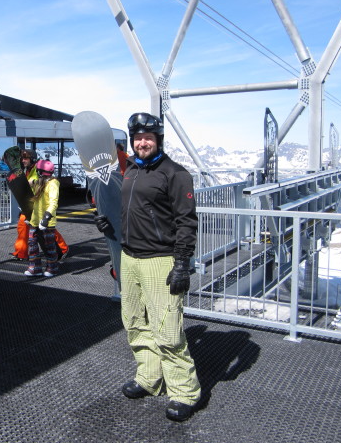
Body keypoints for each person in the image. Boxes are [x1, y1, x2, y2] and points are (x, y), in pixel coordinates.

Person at [94, 112, 201, 422]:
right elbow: (128, 210)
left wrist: (182, 264)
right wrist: (108, 223)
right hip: (129, 257)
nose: (142, 142)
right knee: (134, 321)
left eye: (148, 138)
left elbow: (186, 222)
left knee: (167, 329)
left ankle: (184, 392)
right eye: (137, 138)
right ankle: (149, 377)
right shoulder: (129, 170)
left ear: (158, 140)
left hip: (159, 259)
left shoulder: (175, 174)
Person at [11, 150, 69, 260]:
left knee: (47, 229)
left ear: (32, 159)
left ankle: (62, 248)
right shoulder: (26, 169)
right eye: (22, 158)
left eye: (26, 158)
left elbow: (40, 180)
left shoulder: (38, 168)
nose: (23, 160)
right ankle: (21, 253)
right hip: (29, 203)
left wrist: (29, 183)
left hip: (38, 204)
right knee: (23, 226)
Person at [25, 159, 60, 277]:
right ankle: (35, 267)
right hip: (35, 219)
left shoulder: (53, 183)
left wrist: (46, 218)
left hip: (47, 221)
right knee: (32, 243)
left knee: (48, 245)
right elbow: (30, 183)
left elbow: (53, 202)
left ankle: (52, 267)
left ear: (40, 171)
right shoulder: (39, 181)